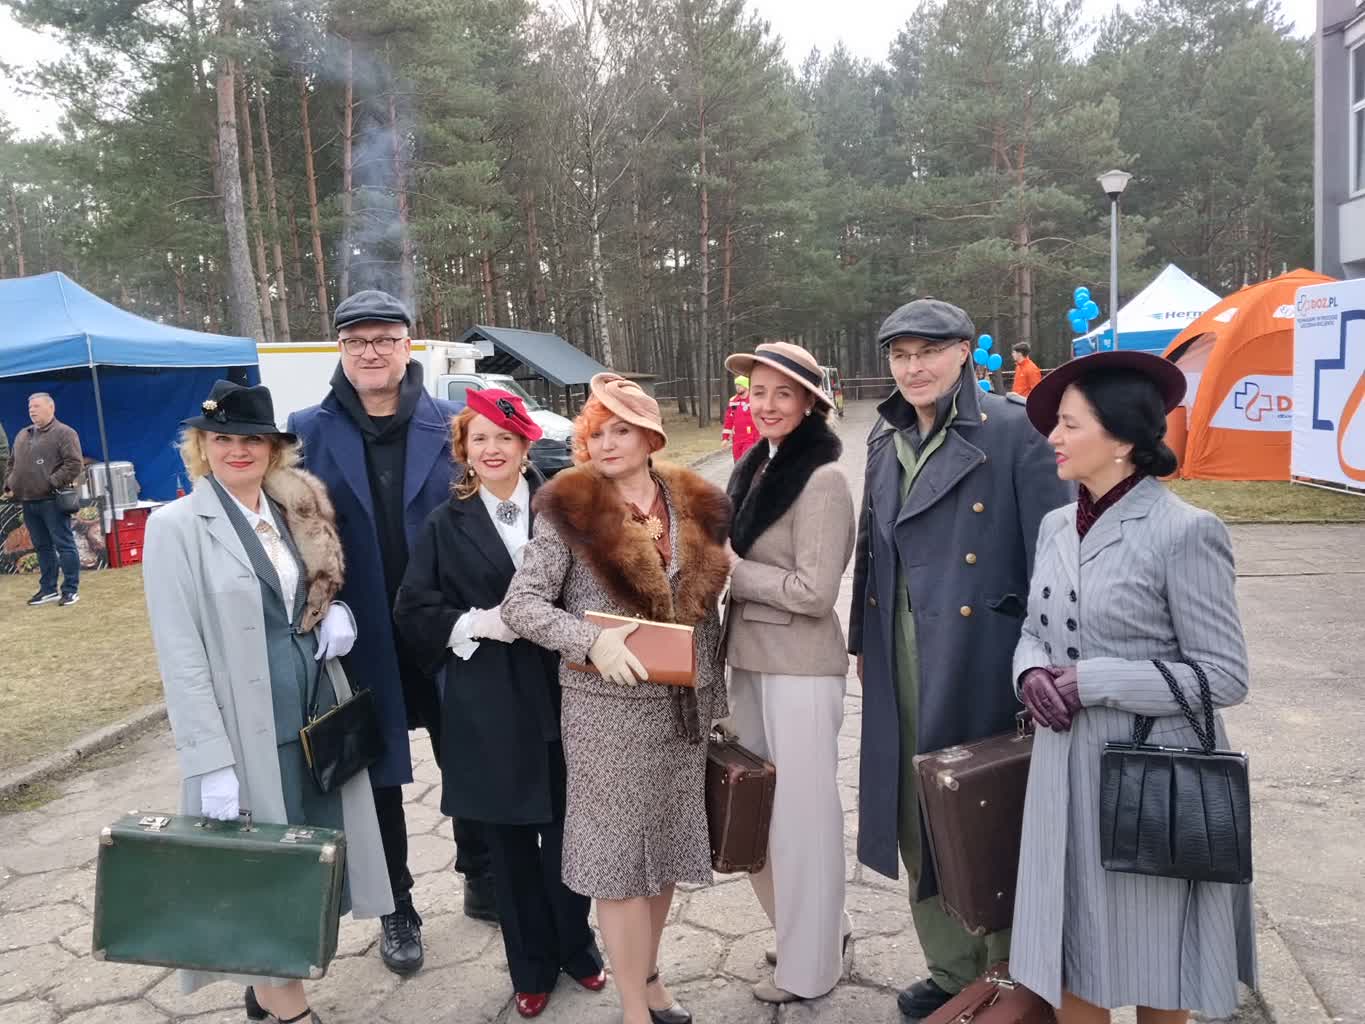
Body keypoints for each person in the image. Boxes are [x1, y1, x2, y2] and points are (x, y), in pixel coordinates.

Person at [1010, 351, 1256, 1024]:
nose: (1053, 438)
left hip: (1151, 774)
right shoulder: (1055, 524)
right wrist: (1029, 672)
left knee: (1157, 959)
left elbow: (1223, 675)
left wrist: (1093, 681)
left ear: (1120, 439)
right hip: (1062, 768)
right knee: (1070, 948)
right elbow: (1034, 628)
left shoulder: (1185, 532)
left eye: (1069, 424)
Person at [847, 298, 1073, 1020]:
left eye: (929, 352)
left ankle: (1007, 972)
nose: (913, 368)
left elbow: (1054, 555)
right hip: (898, 645)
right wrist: (861, 641)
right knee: (915, 807)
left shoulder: (1015, 429)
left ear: (964, 353)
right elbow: (872, 547)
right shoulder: (885, 437)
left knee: (983, 807)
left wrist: (1046, 660)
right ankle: (949, 969)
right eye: (900, 355)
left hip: (982, 650)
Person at [142, 381, 391, 1024]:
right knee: (270, 878)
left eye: (252, 438)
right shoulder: (175, 527)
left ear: (274, 449)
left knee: (314, 863)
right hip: (247, 735)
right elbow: (181, 656)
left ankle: (267, 990)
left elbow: (302, 593)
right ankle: (291, 1011)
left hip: (315, 719)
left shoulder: (291, 512)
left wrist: (335, 610)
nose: (238, 449)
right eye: (222, 438)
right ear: (201, 446)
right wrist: (210, 763)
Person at [501, 373, 730, 1024]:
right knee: (620, 866)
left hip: (682, 711)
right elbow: (520, 605)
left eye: (620, 430)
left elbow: (707, 614)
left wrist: (717, 698)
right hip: (606, 716)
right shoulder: (569, 509)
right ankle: (633, 1009)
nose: (605, 443)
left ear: (651, 437)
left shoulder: (690, 501)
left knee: (665, 853)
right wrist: (589, 642)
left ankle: (649, 979)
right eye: (595, 431)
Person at [286, 289, 496, 978]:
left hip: (444, 628)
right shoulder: (305, 431)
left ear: (408, 345)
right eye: (356, 341)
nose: (370, 352)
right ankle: (396, 904)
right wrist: (318, 606)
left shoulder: (454, 425)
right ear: (340, 351)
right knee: (375, 777)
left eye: (383, 339)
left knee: (470, 755)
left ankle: (482, 874)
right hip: (359, 635)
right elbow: (286, 533)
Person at [393, 389, 604, 1019]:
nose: (491, 449)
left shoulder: (564, 509)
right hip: (489, 701)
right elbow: (414, 608)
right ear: (463, 449)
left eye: (504, 438)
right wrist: (477, 623)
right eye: (478, 438)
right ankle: (530, 967)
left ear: (525, 445)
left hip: (567, 690)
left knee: (571, 833)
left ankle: (578, 948)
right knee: (510, 846)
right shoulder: (444, 522)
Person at [720, 342, 855, 1004]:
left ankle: (810, 969)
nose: (767, 404)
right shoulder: (755, 465)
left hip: (800, 668)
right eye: (758, 392)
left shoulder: (822, 479)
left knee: (802, 819)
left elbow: (814, 592)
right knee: (762, 813)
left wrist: (733, 569)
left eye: (783, 393)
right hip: (749, 660)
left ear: (809, 403)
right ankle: (822, 932)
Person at [3, 393, 84, 607]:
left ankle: (70, 589)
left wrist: (51, 482)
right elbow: (12, 462)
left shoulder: (64, 433)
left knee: (64, 545)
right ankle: (48, 589)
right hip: (28, 500)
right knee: (42, 547)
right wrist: (9, 484)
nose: (32, 410)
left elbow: (74, 464)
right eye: (30, 406)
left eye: (37, 406)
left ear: (51, 407)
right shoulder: (23, 434)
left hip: (52, 500)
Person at [721, 375, 759, 462]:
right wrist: (725, 438)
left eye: (740, 385)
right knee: (737, 462)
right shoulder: (733, 401)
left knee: (746, 461)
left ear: (746, 386)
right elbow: (729, 420)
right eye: (736, 385)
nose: (737, 387)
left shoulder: (754, 400)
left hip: (751, 437)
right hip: (737, 439)